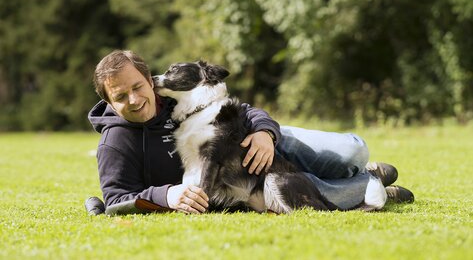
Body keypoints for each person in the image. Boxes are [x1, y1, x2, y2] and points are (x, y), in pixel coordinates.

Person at [86, 50, 414, 215]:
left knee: (352, 153)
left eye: (138, 87)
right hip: (238, 179)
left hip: (260, 139)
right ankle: (365, 184)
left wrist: (264, 132)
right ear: (108, 101)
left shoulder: (173, 98)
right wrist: (166, 195)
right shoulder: (115, 143)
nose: (134, 99)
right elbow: (115, 199)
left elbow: (239, 109)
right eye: (120, 97)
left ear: (149, 79)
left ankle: (363, 171)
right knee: (292, 185)